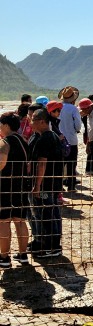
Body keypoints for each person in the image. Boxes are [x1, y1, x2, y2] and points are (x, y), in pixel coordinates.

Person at [28, 109, 64, 258]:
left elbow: (41, 164)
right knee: (53, 213)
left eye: (33, 120)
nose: (31, 123)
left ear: (42, 121)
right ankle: (52, 245)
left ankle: (50, 246)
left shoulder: (44, 139)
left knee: (44, 215)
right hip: (53, 183)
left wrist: (37, 186)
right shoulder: (54, 136)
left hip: (45, 185)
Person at [0, 112, 31, 267]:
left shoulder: (5, 142)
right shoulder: (23, 140)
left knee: (4, 222)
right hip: (22, 186)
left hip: (5, 187)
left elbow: (1, 163)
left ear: (6, 125)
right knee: (20, 221)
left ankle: (4, 258)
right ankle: (23, 255)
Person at [58, 86, 82, 191]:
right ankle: (71, 186)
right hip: (71, 140)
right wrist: (75, 129)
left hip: (59, 139)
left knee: (60, 164)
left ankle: (59, 186)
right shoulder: (73, 109)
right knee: (72, 164)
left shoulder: (58, 107)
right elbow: (78, 125)